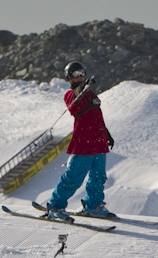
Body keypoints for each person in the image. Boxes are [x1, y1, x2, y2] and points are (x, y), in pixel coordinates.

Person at [44, 61, 116, 221]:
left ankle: (94, 205)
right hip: (84, 142)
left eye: (82, 72)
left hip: (98, 141)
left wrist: (106, 134)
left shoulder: (89, 92)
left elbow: (96, 115)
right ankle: (55, 206)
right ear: (69, 77)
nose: (80, 76)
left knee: (98, 177)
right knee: (73, 177)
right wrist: (82, 90)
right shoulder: (70, 94)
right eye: (76, 74)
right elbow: (75, 108)